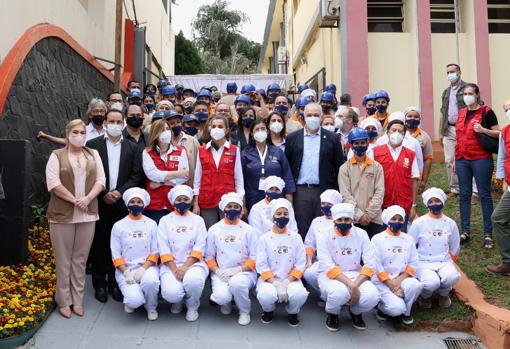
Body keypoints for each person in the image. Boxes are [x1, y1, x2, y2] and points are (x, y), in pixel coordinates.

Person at [45, 119, 106, 318]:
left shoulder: (93, 154)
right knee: (63, 260)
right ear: (67, 134)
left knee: (80, 259)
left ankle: (77, 299)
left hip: (87, 214)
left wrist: (88, 199)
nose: (80, 135)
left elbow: (101, 180)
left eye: (82, 132)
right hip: (62, 215)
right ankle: (63, 299)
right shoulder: (57, 155)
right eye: (75, 132)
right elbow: (53, 183)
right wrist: (75, 200)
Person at [86, 109, 144, 303]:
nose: (115, 124)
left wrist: (119, 192)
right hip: (100, 202)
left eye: (119, 121)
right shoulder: (92, 145)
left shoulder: (133, 147)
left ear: (124, 123)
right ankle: (100, 284)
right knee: (100, 243)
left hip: (121, 203)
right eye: (111, 120)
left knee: (118, 246)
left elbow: (137, 174)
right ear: (105, 122)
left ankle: (115, 283)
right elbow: (89, 174)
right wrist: (103, 193)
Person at [317, 203, 380, 331]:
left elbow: (370, 262)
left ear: (352, 220)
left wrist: (355, 284)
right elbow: (327, 265)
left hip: (356, 274)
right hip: (332, 276)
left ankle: (355, 312)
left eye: (347, 219)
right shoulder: (324, 235)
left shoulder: (361, 234)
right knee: (339, 293)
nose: (343, 222)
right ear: (334, 220)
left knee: (373, 296)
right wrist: (352, 286)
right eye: (340, 220)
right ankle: (333, 313)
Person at [285, 103, 344, 238]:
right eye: (309, 115)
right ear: (303, 117)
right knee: (303, 228)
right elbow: (287, 168)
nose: (313, 118)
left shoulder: (333, 138)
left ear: (321, 117)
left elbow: (339, 167)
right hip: (301, 191)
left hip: (324, 191)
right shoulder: (292, 138)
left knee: (324, 229)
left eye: (316, 115)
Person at [455, 83, 499, 248]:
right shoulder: (461, 113)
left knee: (484, 195)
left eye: (470, 93)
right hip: (462, 159)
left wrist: (483, 130)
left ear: (477, 95)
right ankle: (465, 231)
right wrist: (455, 159)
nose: (467, 96)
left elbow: (499, 133)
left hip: (481, 158)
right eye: (465, 94)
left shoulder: (487, 112)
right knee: (464, 195)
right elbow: (459, 137)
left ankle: (488, 233)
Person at [205, 192, 258, 325]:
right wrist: (217, 271)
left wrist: (239, 270)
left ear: (241, 209)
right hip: (222, 272)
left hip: (245, 272)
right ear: (223, 209)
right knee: (222, 297)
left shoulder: (249, 230)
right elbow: (209, 256)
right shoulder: (214, 229)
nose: (232, 209)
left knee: (237, 284)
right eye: (229, 206)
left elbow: (255, 256)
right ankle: (226, 301)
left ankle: (244, 311)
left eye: (236, 206)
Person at [158, 185, 209, 322]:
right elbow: (163, 248)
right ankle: (178, 301)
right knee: (171, 293)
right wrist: (175, 269)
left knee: (193, 282)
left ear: (191, 201)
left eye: (185, 199)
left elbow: (200, 246)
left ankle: (192, 306)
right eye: (179, 199)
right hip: (171, 265)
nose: (182, 202)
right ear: (173, 202)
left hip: (194, 264)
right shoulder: (165, 221)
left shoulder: (198, 220)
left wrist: (185, 267)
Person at [256, 198, 309, 327]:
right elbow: (261, 265)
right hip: (269, 279)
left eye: (285, 214)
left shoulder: (296, 237)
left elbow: (300, 263)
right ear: (272, 216)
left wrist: (286, 282)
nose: (282, 217)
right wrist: (275, 283)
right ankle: (268, 311)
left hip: (290, 279)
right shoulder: (264, 238)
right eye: (279, 214)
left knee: (299, 295)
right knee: (266, 295)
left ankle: (293, 311)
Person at [110, 188, 160, 320]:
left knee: (151, 282)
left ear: (144, 204)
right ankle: (135, 299)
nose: (136, 204)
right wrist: (126, 272)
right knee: (134, 301)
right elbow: (115, 254)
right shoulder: (118, 225)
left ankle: (151, 307)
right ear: (127, 204)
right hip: (126, 269)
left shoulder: (151, 224)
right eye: (132, 202)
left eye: (139, 202)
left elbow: (155, 252)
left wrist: (143, 269)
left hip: (147, 267)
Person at [409, 188, 460, 309]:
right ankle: (425, 296)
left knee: (452, 276)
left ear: (442, 202)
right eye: (430, 201)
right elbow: (410, 245)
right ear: (427, 204)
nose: (434, 204)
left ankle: (443, 294)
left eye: (437, 201)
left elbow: (455, 245)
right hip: (423, 262)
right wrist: (414, 263)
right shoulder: (418, 223)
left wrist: (451, 260)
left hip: (444, 261)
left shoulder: (450, 223)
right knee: (432, 282)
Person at [372, 205, 423, 325]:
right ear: (387, 220)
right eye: (393, 219)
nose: (397, 222)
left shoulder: (408, 239)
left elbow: (414, 262)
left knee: (415, 285)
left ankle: (407, 312)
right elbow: (376, 264)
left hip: (402, 278)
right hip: (382, 281)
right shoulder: (377, 239)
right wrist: (390, 284)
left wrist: (399, 280)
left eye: (400, 219)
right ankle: (382, 308)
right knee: (396, 309)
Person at [193, 115, 244, 228]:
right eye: (214, 126)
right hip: (207, 200)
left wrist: (240, 202)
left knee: (229, 232)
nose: (216, 129)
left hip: (228, 200)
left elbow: (239, 179)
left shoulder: (234, 150)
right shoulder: (201, 150)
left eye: (220, 126)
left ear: (226, 130)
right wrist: (196, 203)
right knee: (210, 232)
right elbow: (197, 180)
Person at [373, 119, 420, 226]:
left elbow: (415, 180)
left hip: (403, 205)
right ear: (387, 133)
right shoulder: (376, 152)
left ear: (404, 135)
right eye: (394, 130)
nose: (397, 133)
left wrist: (413, 205)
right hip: (382, 204)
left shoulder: (410, 154)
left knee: (400, 237)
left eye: (400, 131)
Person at [339, 128, 385, 238]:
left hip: (374, 219)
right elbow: (346, 195)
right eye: (356, 143)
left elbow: (380, 192)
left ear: (367, 143)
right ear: (351, 145)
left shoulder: (377, 167)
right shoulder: (344, 168)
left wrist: (369, 214)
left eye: (363, 142)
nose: (360, 145)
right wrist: (359, 215)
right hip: (353, 219)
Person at [241, 119, 295, 210]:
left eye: (263, 129)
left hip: (276, 198)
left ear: (267, 131)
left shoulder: (278, 152)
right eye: (257, 130)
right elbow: (241, 181)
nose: (260, 132)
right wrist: (243, 205)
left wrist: (289, 202)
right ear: (251, 134)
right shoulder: (245, 154)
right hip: (253, 199)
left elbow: (287, 176)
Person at [142, 119, 189, 223]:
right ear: (155, 133)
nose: (166, 132)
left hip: (175, 202)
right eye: (162, 130)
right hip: (155, 204)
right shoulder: (147, 152)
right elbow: (153, 174)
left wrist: (161, 183)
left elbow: (183, 177)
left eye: (167, 129)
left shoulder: (180, 151)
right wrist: (177, 173)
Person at [303, 189, 343, 299]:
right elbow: (309, 243)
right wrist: (309, 261)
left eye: (329, 204)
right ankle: (325, 295)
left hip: (341, 263)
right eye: (323, 203)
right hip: (321, 262)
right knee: (309, 273)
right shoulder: (316, 221)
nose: (325, 206)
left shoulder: (344, 221)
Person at [487, 100, 510, 274]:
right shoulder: (505, 132)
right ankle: (507, 262)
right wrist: (503, 180)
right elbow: (502, 158)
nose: (508, 111)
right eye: (506, 109)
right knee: (498, 218)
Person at [440, 64, 469, 196]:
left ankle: (473, 189)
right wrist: (441, 131)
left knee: (469, 157)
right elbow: (442, 112)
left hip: (465, 129)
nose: (450, 75)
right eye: (448, 72)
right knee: (449, 159)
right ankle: (455, 188)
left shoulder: (468, 89)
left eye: (452, 71)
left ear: (459, 73)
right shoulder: (446, 92)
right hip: (449, 129)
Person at [37, 98, 107, 145]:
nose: (99, 114)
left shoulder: (109, 132)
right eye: (95, 111)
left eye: (101, 111)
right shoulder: (83, 130)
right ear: (90, 114)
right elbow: (67, 141)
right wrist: (46, 136)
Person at [165, 110, 200, 188]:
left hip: (190, 187)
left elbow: (199, 165)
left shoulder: (192, 140)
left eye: (178, 122)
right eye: (172, 123)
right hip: (168, 187)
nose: (176, 125)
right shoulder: (163, 142)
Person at [404, 107, 433, 193]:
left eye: (416, 117)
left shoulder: (425, 136)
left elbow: (428, 159)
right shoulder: (399, 133)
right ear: (404, 117)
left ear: (420, 119)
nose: (412, 118)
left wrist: (423, 181)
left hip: (415, 173)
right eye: (409, 116)